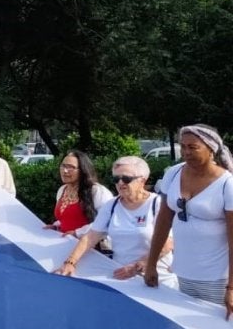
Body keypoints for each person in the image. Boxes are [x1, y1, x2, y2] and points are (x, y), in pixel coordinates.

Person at [143, 124, 233, 316]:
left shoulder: (227, 184)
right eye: (182, 146)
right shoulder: (173, 173)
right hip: (183, 273)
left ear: (211, 149)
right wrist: (151, 264)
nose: (186, 152)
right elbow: (163, 221)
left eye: (193, 147)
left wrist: (231, 287)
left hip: (218, 278)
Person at [55, 156, 171, 280]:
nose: (120, 183)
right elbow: (90, 237)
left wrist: (138, 266)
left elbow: (168, 244)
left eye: (126, 179)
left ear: (142, 180)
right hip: (122, 276)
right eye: (116, 179)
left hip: (157, 277)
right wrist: (70, 263)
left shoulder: (158, 204)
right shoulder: (111, 206)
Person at [45, 150, 113, 236]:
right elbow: (67, 218)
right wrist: (56, 226)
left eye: (71, 167)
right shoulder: (62, 190)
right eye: (63, 166)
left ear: (83, 170)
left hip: (89, 246)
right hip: (64, 244)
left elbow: (107, 221)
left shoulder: (97, 191)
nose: (65, 171)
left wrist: (78, 233)